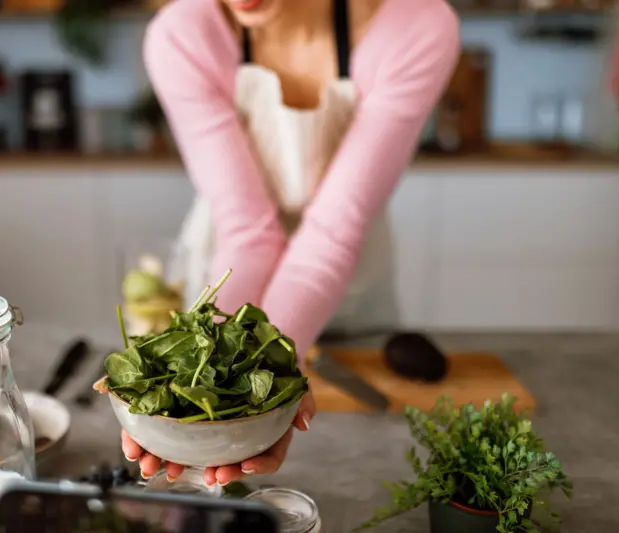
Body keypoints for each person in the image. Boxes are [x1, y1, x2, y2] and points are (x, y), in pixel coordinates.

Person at [122, 0, 460, 486]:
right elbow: (247, 231)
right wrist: (207, 371)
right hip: (230, 275)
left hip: (350, 285)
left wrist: (277, 373)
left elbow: (333, 233)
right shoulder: (183, 35)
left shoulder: (416, 27)